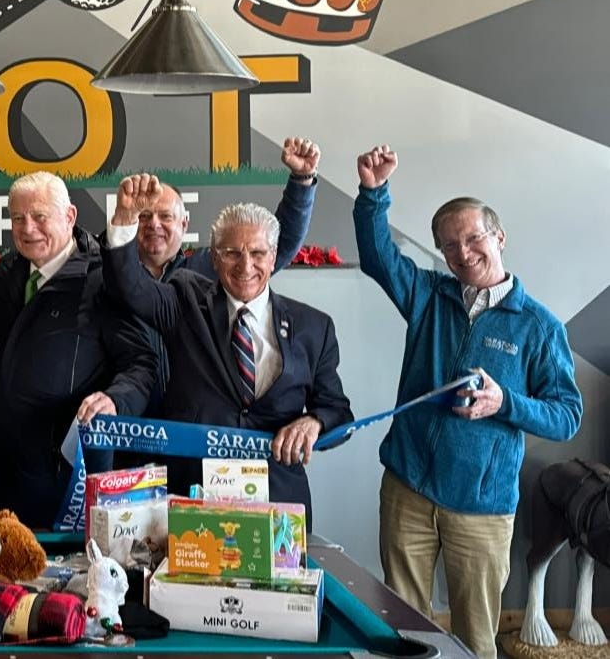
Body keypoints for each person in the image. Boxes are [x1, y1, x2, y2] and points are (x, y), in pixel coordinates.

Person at [352, 146, 582, 659]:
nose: (464, 252)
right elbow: (377, 256)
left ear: (499, 238)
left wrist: (505, 402)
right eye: (450, 245)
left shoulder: (539, 326)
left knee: (475, 639)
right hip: (408, 490)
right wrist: (373, 193)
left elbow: (567, 415)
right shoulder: (428, 295)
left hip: (482, 509)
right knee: (403, 630)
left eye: (474, 238)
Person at [103, 182, 353, 530]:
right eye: (232, 253)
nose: (245, 265)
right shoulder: (185, 301)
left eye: (258, 253)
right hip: (194, 505)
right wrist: (125, 219)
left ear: (274, 255)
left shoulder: (314, 326)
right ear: (215, 257)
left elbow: (339, 412)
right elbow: (132, 288)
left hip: (279, 512)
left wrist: (315, 422)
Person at [0, 174, 156, 528]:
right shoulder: (9, 271)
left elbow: (141, 363)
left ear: (70, 216)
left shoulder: (104, 280)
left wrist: (115, 400)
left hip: (64, 482)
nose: (28, 228)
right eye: (18, 218)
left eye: (40, 216)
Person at [124, 137, 320, 416]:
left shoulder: (213, 266)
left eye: (165, 216)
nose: (154, 224)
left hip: (194, 426)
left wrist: (301, 181)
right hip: (130, 420)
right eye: (144, 217)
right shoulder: (113, 277)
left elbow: (282, 240)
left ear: (184, 224)